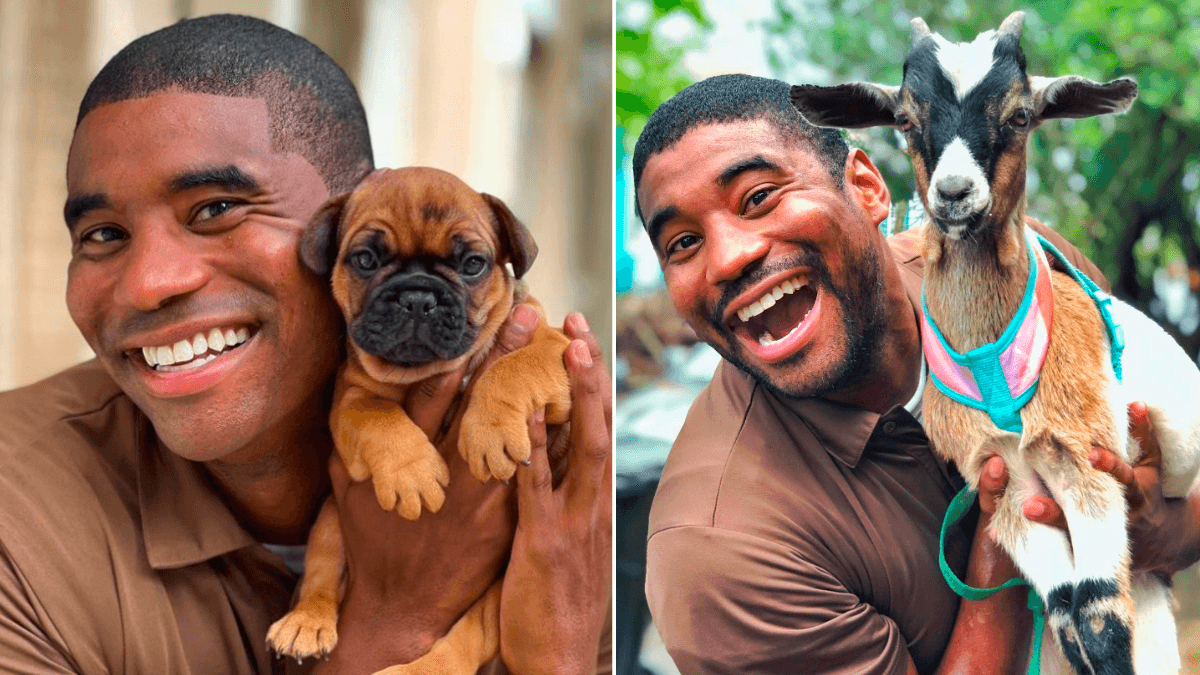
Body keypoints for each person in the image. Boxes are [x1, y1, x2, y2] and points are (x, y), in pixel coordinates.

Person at [0, 14, 611, 675]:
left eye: (216, 208)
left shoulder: (560, 463)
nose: (150, 283)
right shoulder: (20, 517)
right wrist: (395, 618)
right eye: (101, 235)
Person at [634, 73, 1200, 674]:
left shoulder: (1021, 273)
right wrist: (1007, 533)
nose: (727, 257)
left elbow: (1175, 509)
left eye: (758, 197)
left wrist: (1150, 529)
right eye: (683, 243)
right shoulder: (723, 550)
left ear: (866, 187)